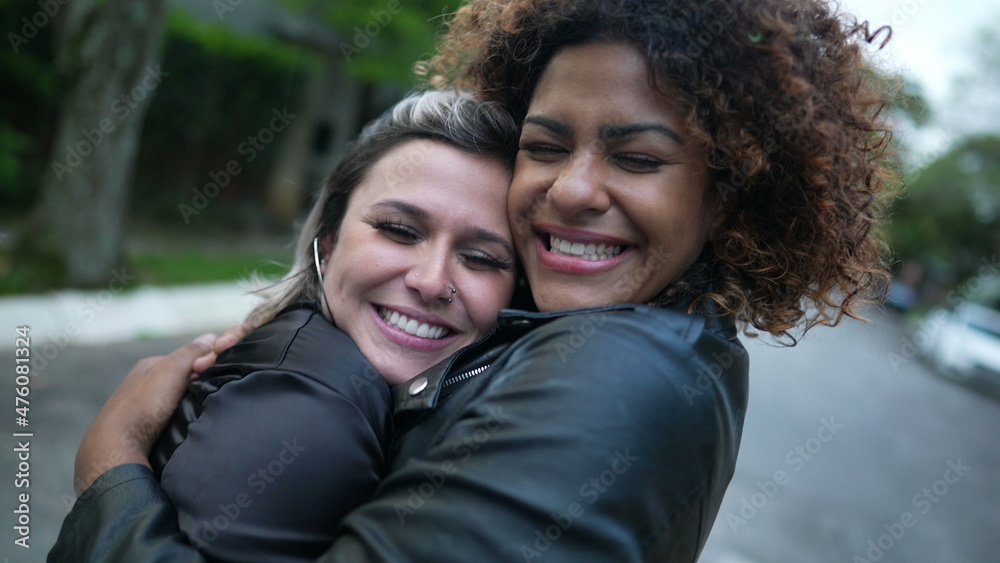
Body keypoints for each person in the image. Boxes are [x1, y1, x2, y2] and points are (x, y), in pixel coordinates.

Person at [49, 0, 894, 560]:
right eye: (546, 144)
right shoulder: (624, 329)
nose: (570, 189)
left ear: (729, 194)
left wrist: (111, 464)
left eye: (637, 157)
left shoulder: (624, 374)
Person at [146, 90, 519, 561]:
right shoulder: (312, 409)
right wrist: (110, 467)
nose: (431, 281)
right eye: (400, 230)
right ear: (329, 238)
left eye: (481, 258)